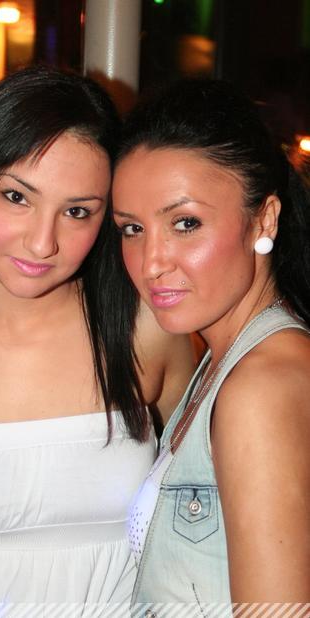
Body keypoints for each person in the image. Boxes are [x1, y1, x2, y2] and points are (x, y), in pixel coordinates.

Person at [0, 66, 195, 606]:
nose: (42, 243)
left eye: (77, 212)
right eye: (17, 197)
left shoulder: (145, 329)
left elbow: (208, 512)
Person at [112, 78, 310, 608]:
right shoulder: (226, 361)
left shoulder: (262, 385)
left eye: (185, 223)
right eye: (131, 229)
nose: (151, 263)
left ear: (264, 219)